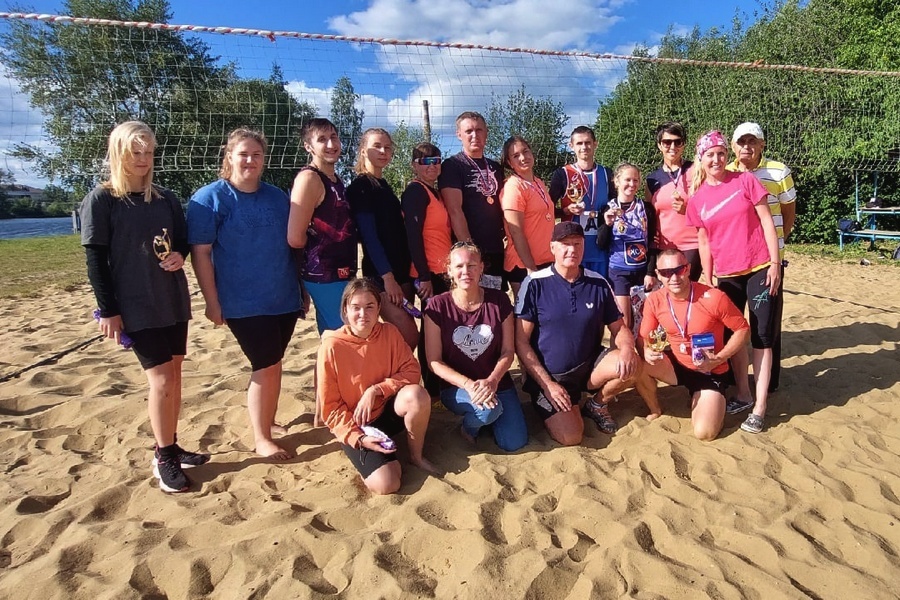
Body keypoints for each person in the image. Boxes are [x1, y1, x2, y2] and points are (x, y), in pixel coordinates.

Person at [81, 121, 205, 493]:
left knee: (175, 376)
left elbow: (181, 240)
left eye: (149, 152)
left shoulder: (165, 198)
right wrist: (108, 310)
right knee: (161, 379)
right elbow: (95, 260)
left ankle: (171, 443)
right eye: (136, 152)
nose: (143, 159)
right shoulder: (103, 199)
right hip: (135, 304)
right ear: (118, 153)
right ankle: (163, 457)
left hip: (171, 298)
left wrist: (180, 255)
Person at [188, 128, 302, 460]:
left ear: (264, 159)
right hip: (243, 301)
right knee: (265, 365)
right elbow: (201, 254)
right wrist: (212, 302)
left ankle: (268, 421)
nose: (250, 160)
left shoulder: (277, 197)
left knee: (274, 364)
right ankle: (261, 438)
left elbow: (291, 247)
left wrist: (300, 289)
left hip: (282, 296)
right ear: (229, 157)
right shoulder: (209, 198)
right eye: (243, 154)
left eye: (256, 154)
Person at [514, 221, 661, 446]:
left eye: (577, 244)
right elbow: (521, 342)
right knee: (571, 436)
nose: (571, 250)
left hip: (590, 367)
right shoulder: (534, 283)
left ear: (584, 246)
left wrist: (627, 349)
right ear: (552, 247)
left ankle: (597, 404)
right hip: (551, 375)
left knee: (632, 363)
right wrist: (547, 385)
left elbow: (619, 327)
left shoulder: (598, 282)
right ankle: (554, 403)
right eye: (565, 244)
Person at [687, 131, 781, 434]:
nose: (716, 159)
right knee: (734, 334)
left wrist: (776, 263)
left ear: (727, 155)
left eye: (721, 153)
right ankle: (743, 393)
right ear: (701, 159)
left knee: (762, 336)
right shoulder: (697, 199)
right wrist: (709, 276)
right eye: (710, 154)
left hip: (760, 267)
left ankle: (760, 407)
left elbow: (767, 220)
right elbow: (704, 242)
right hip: (726, 275)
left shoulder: (745, 180)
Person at [318, 278, 436, 494]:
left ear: (379, 308)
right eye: (356, 307)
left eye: (370, 306)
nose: (363, 314)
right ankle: (381, 459)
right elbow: (331, 408)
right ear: (345, 310)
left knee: (416, 395)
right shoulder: (332, 346)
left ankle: (416, 456)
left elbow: (412, 370)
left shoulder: (389, 332)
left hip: (387, 412)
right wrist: (359, 438)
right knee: (387, 484)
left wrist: (376, 390)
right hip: (357, 423)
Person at [424, 242, 528, 451]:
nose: (466, 272)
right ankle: (469, 429)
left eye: (471, 265)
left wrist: (492, 381)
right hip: (457, 387)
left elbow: (508, 351)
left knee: (514, 442)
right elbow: (434, 361)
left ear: (481, 268)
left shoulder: (499, 301)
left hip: (496, 382)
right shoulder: (436, 306)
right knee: (489, 411)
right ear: (449, 270)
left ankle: (488, 419)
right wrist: (469, 385)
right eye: (459, 266)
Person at [640, 250, 751, 440]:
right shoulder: (654, 300)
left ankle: (710, 399)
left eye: (679, 270)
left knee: (704, 433)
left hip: (709, 369)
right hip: (677, 365)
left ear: (688, 269)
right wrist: (647, 350)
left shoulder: (713, 297)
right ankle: (655, 408)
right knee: (636, 363)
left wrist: (719, 358)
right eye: (666, 272)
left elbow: (743, 329)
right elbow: (645, 336)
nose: (674, 277)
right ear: (658, 274)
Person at [728, 121, 796, 396]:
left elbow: (789, 211)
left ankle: (770, 382)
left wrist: (778, 244)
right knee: (731, 321)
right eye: (741, 141)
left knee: (766, 324)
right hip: (735, 259)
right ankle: (733, 379)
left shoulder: (778, 171)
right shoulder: (726, 173)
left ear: (762, 144)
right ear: (733, 146)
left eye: (752, 141)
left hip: (767, 260)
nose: (746, 146)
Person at [346, 128, 417, 348]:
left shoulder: (383, 185)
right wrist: (388, 278)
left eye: (387, 147)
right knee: (409, 336)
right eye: (377, 146)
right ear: (363, 150)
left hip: (402, 271)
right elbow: (369, 237)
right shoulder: (360, 188)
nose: (383, 151)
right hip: (382, 275)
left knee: (400, 339)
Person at [287, 117, 358, 336]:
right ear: (308, 147)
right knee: (347, 337)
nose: (331, 144)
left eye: (334, 137)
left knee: (332, 340)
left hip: (340, 272)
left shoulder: (335, 178)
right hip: (324, 273)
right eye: (322, 139)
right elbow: (295, 237)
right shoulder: (309, 178)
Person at [438, 111, 505, 288]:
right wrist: (470, 249)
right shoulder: (453, 166)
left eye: (479, 130)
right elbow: (454, 210)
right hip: (469, 252)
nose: (475, 135)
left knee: (494, 298)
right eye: (468, 131)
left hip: (496, 248)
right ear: (459, 134)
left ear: (486, 133)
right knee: (471, 297)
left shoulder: (495, 167)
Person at [548, 125, 616, 277]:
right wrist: (566, 210)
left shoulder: (607, 173)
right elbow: (547, 209)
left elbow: (614, 204)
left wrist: (609, 213)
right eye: (579, 143)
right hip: (573, 248)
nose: (584, 147)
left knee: (600, 287)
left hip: (600, 245)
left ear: (595, 144)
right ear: (571, 146)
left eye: (588, 142)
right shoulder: (563, 174)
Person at [596, 162, 657, 332]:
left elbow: (653, 241)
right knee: (624, 324)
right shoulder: (607, 208)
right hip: (619, 272)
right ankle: (621, 349)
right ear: (617, 181)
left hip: (642, 271)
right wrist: (607, 224)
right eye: (627, 180)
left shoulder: (646, 208)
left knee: (644, 324)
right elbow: (601, 244)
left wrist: (650, 272)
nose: (632, 184)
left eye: (635, 180)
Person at [500, 135, 555, 300]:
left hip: (546, 259)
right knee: (528, 312)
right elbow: (515, 232)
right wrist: (531, 269)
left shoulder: (538, 182)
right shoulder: (513, 187)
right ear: (509, 162)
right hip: (524, 264)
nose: (523, 157)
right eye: (516, 155)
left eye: (525, 151)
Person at [645, 122, 701, 281]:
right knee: (669, 291)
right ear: (659, 145)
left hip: (693, 245)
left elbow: (708, 208)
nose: (672, 146)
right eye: (667, 142)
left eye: (678, 142)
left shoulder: (696, 170)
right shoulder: (652, 180)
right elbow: (651, 217)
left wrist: (688, 210)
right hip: (664, 247)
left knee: (686, 287)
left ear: (684, 144)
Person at [401, 142, 453, 301]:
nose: (432, 166)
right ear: (414, 165)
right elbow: (413, 235)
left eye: (436, 161)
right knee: (433, 316)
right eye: (425, 161)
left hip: (443, 270)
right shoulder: (415, 191)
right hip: (429, 273)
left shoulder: (437, 193)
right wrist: (424, 276)